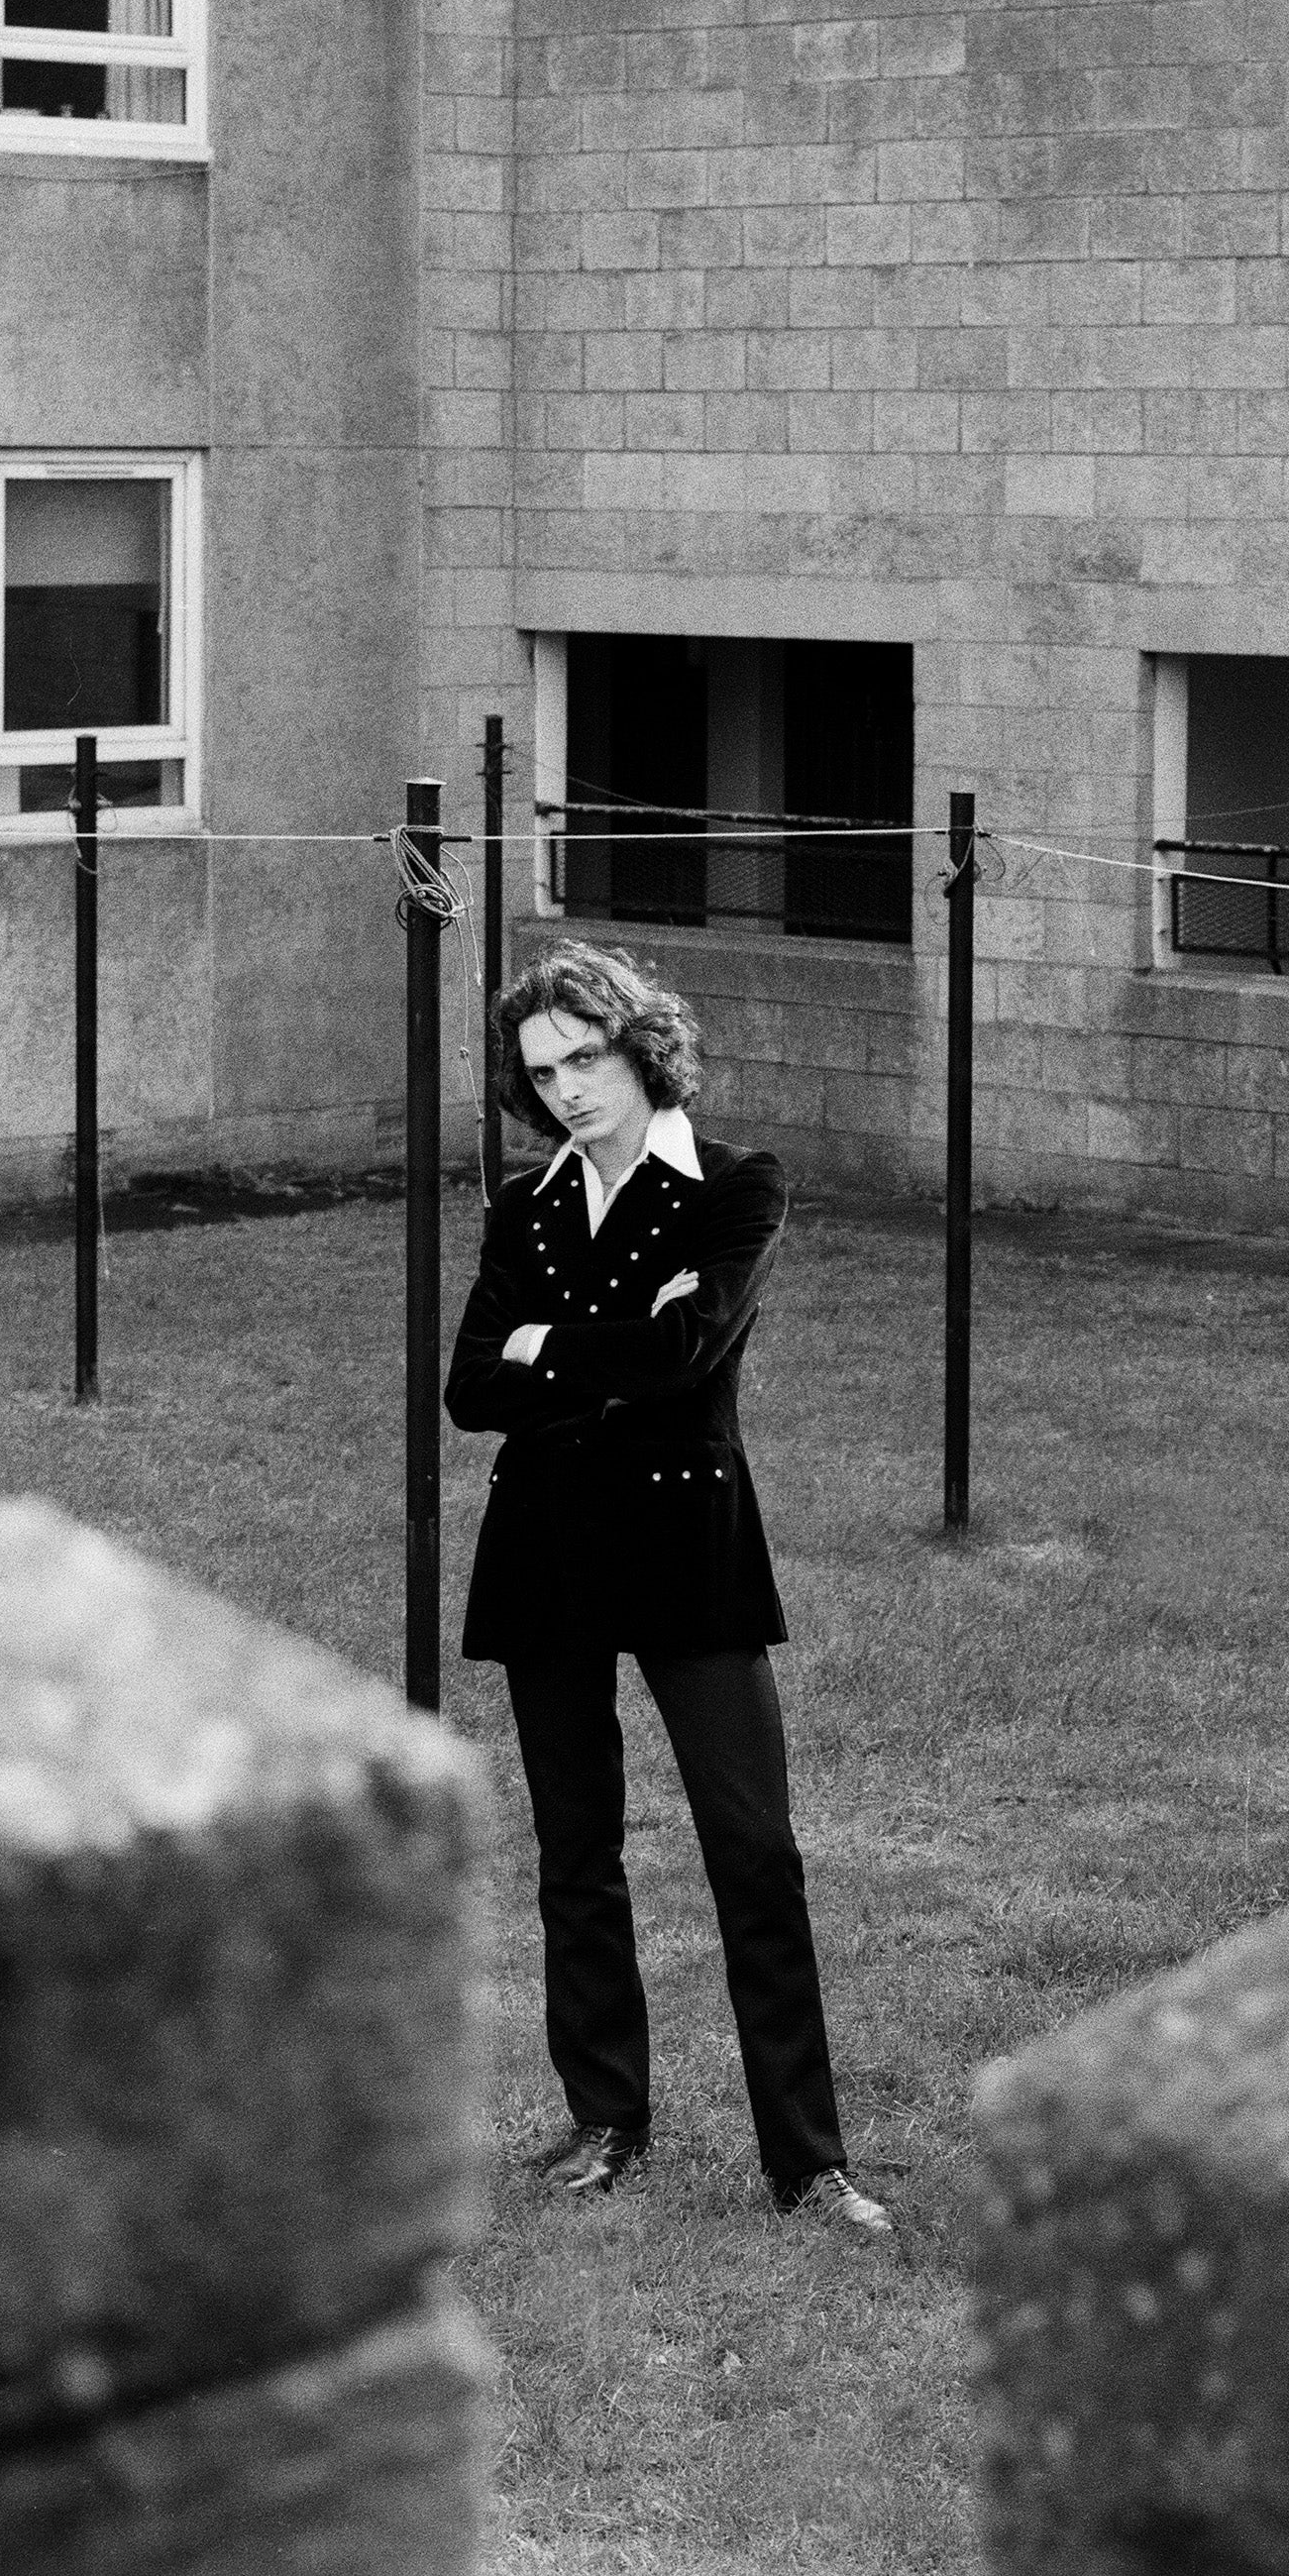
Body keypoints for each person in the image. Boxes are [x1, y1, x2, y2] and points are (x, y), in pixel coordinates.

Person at [447, 939, 893, 2234]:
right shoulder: (521, 1212)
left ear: (640, 1045)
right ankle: (604, 2121)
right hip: (543, 1552)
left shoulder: (735, 1189)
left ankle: (806, 2162)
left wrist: (547, 1343)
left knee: (753, 1855)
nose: (568, 1091)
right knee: (575, 1858)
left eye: (585, 1058)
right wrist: (590, 1350)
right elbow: (472, 1386)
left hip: (686, 1547)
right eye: (543, 1074)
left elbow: (682, 1355)